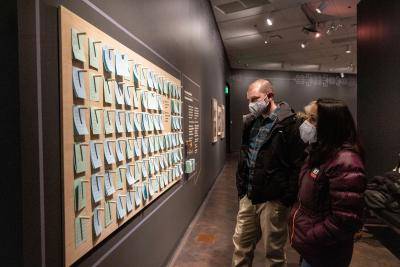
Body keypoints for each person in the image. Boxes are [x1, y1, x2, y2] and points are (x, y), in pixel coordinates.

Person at [233, 79, 306, 267]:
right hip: (248, 197)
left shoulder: (290, 124)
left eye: (255, 99)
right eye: (249, 100)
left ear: (269, 96)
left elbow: (297, 164)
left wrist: (285, 198)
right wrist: (242, 190)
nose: (251, 105)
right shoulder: (250, 122)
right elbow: (245, 155)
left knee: (272, 253)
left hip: (273, 201)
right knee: (241, 247)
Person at [289, 98, 366, 267]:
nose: (307, 124)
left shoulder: (346, 161)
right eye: (307, 118)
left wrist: (312, 236)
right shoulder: (321, 152)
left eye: (313, 119)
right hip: (312, 250)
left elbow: (346, 219)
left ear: (330, 125)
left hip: (325, 253)